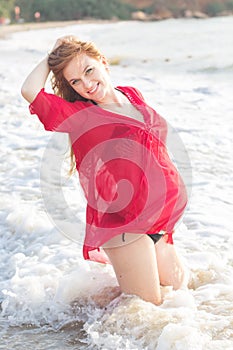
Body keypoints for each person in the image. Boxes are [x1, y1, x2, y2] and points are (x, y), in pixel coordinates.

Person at [21, 35, 188, 305]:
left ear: (103, 62)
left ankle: (84, 304)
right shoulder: (81, 116)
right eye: (75, 81)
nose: (86, 84)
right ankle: (76, 325)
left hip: (158, 218)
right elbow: (30, 91)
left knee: (179, 294)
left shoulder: (132, 94)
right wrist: (52, 56)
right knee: (147, 313)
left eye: (89, 70)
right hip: (123, 222)